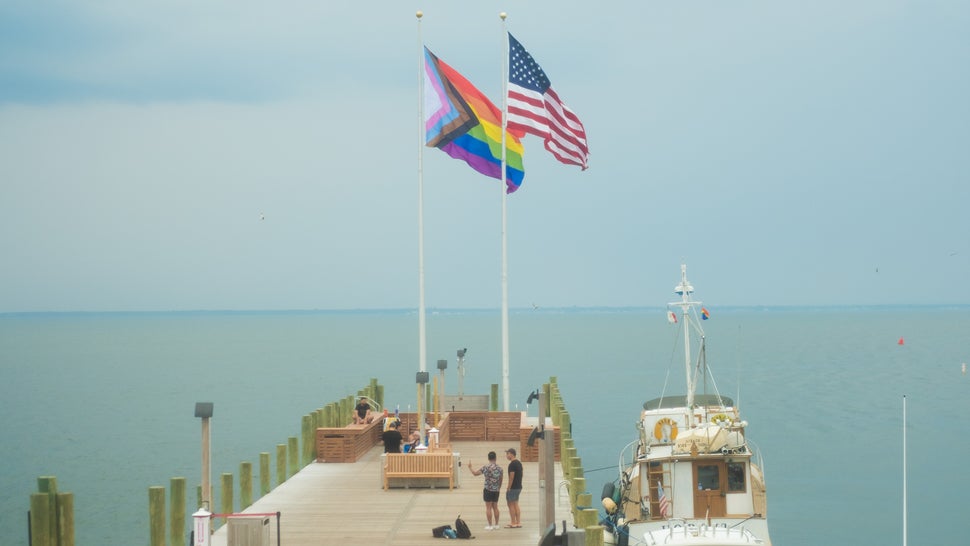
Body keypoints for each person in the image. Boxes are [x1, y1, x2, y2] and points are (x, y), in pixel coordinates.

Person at [469, 451, 503, 530]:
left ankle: (490, 525)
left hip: (488, 489)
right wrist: (498, 488)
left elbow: (475, 474)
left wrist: (470, 467)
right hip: (496, 490)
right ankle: (497, 525)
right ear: (495, 458)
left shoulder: (486, 467)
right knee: (495, 507)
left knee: (488, 508)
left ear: (488, 458)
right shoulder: (500, 468)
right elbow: (501, 480)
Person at [505, 448, 523, 528]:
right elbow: (522, 474)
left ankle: (513, 522)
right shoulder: (519, 463)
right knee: (516, 504)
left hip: (513, 488)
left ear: (512, 454)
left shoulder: (512, 464)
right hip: (518, 486)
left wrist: (508, 487)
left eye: (507, 454)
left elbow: (511, 477)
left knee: (510, 504)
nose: (506, 456)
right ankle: (518, 522)